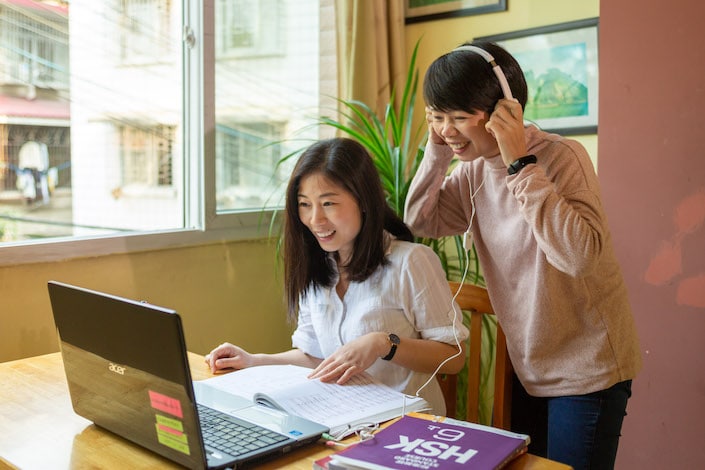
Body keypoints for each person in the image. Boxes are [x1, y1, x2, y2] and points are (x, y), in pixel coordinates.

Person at [404, 41, 642, 470]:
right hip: (528, 367)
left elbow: (579, 257)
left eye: (459, 117)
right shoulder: (472, 169)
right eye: (438, 117)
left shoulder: (562, 157)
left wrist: (519, 164)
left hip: (587, 368)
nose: (447, 130)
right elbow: (421, 220)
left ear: (505, 111)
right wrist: (437, 152)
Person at [206, 137, 469, 416]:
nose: (315, 219)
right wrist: (253, 361)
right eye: (304, 204)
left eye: (328, 203)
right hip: (344, 420)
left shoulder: (411, 262)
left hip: (406, 425)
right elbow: (314, 356)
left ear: (363, 201)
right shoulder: (318, 265)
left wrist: (383, 344)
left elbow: (453, 357)